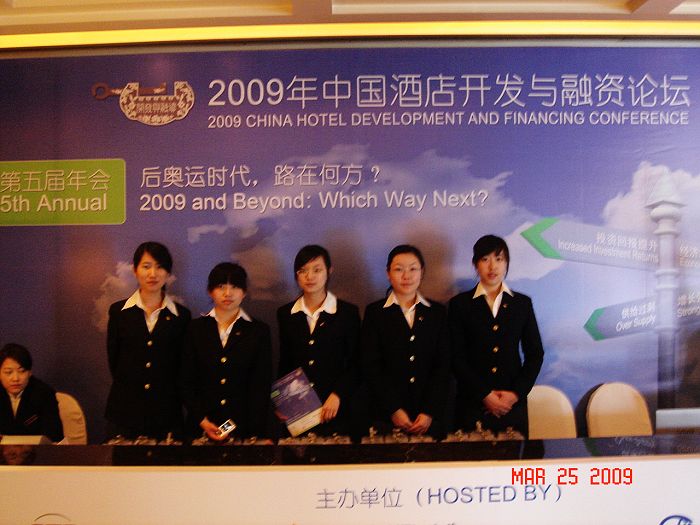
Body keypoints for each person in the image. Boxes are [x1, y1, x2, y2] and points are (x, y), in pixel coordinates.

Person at [449, 234, 544, 436]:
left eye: (499, 259)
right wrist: (484, 394)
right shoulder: (460, 304)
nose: (492, 266)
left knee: (513, 455)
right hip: (471, 404)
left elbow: (535, 353)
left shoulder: (522, 304)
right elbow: (456, 357)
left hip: (512, 405)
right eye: (485, 259)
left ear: (506, 263)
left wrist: (515, 394)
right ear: (475, 264)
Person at [361, 244, 450, 438]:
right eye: (399, 269)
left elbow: (443, 366)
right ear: (388, 274)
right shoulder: (375, 313)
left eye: (413, 269)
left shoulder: (437, 313)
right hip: (385, 417)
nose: (406, 276)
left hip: (429, 417)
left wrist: (428, 411)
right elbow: (371, 366)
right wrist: (393, 409)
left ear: (422, 272)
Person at [105, 241, 191, 440]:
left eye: (160, 267)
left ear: (168, 273)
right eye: (146, 266)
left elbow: (182, 367)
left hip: (166, 415)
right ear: (135, 270)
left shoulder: (181, 316)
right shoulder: (119, 312)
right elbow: (114, 361)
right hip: (124, 413)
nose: (153, 274)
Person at [181, 262, 272, 441]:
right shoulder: (194, 329)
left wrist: (254, 431)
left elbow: (260, 386)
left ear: (244, 292)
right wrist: (201, 420)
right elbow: (185, 381)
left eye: (235, 286)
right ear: (210, 291)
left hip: (244, 429)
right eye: (221, 286)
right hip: (200, 428)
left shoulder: (258, 331)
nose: (228, 293)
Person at [277, 245, 361, 436]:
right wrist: (281, 402)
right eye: (303, 271)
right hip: (299, 412)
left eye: (317, 270)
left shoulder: (347, 313)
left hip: (337, 409)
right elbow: (285, 363)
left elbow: (356, 363)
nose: (310, 276)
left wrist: (338, 395)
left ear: (329, 271)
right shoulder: (286, 314)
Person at [0, 343, 63, 442]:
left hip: (36, 450)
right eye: (8, 372)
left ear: (30, 372)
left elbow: (54, 435)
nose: (15, 378)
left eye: (22, 371)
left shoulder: (44, 393)